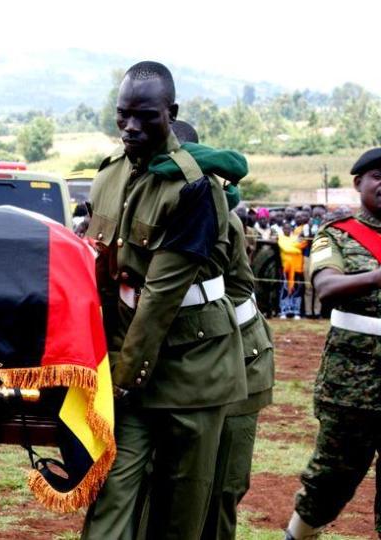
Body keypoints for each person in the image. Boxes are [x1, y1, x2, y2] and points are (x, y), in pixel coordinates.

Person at [80, 61, 246, 540]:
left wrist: (123, 375)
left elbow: (162, 294)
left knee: (180, 512)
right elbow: (103, 274)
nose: (131, 128)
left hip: (194, 370)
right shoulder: (108, 175)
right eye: (123, 115)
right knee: (110, 497)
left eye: (146, 116)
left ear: (171, 114)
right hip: (126, 362)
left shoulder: (194, 187)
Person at [170, 121, 276, 540]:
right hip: (184, 360)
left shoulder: (215, 210)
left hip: (236, 362)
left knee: (221, 486)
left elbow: (235, 292)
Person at [284, 148, 381, 540]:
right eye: (377, 175)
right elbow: (326, 288)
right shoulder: (337, 234)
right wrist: (377, 276)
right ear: (358, 183)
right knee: (331, 479)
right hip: (351, 384)